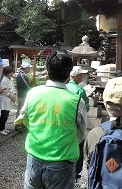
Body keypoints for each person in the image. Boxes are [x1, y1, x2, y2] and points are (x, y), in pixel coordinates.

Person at [15, 51, 87, 189]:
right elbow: (81, 133)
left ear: (47, 71)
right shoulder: (76, 100)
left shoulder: (33, 93)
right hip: (62, 160)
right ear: (69, 74)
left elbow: (25, 119)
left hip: (34, 157)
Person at [66, 66, 90, 183]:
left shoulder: (64, 87)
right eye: (81, 75)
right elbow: (86, 108)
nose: (83, 77)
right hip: (77, 122)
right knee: (79, 146)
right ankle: (76, 173)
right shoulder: (80, 91)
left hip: (64, 121)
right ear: (76, 77)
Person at [0, 66, 16, 135]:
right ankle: (0, 128)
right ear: (7, 73)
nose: (12, 74)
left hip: (9, 99)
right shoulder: (4, 80)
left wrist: (14, 96)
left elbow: (12, 89)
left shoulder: (10, 79)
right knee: (4, 115)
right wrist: (11, 97)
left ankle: (3, 127)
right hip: (5, 99)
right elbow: (5, 91)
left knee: (7, 114)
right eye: (11, 73)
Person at [15, 60, 32, 132]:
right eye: (29, 68)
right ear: (25, 68)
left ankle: (22, 124)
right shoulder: (21, 75)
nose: (29, 69)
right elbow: (26, 85)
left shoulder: (24, 75)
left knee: (24, 110)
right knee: (21, 110)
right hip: (22, 95)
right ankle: (18, 125)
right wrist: (32, 90)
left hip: (24, 95)